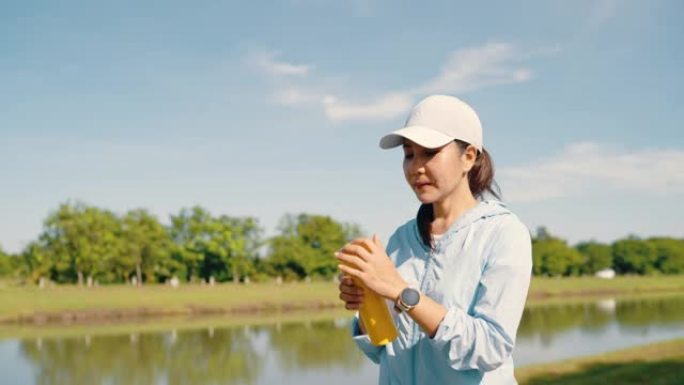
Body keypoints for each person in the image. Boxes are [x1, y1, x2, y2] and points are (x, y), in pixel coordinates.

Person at [335, 95, 532, 385]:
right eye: (409, 154)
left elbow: (490, 348)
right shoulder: (402, 238)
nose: (416, 167)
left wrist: (402, 292)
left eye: (429, 152)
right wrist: (368, 302)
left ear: (469, 157)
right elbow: (382, 348)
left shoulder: (504, 233)